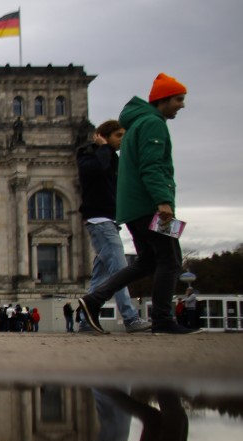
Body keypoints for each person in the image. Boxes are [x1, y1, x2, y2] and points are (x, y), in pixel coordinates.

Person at [79, 73, 200, 335]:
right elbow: (152, 166)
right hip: (151, 206)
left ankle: (94, 299)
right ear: (163, 99)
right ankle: (163, 320)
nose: (182, 105)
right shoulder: (152, 123)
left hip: (133, 208)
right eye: (179, 99)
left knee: (146, 262)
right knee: (170, 260)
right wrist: (163, 201)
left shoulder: (135, 126)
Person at [77, 120, 152, 333]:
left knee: (100, 277)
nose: (122, 140)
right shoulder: (88, 153)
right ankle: (130, 318)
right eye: (118, 136)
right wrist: (102, 148)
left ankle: (85, 321)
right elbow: (97, 170)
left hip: (110, 219)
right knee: (120, 271)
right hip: (99, 220)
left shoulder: (112, 157)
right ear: (103, 135)